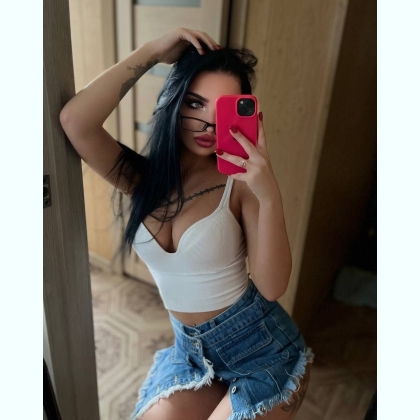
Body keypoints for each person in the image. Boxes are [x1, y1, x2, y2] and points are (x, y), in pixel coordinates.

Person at [60, 27, 314, 420]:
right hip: (192, 356)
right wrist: (151, 52)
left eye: (222, 109)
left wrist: (269, 194)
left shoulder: (240, 184)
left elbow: (271, 286)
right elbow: (76, 121)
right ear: (175, 100)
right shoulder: (144, 179)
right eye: (196, 103)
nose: (208, 124)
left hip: (264, 353)